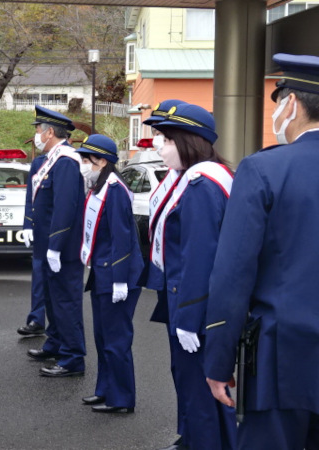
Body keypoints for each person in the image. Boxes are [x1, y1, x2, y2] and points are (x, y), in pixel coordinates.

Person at [205, 53, 319, 450]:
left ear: (292, 104)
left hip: (280, 359)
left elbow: (233, 273)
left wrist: (218, 361)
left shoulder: (263, 170)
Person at [146, 103, 237, 450]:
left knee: (200, 391)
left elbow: (200, 258)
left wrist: (188, 317)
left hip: (194, 307)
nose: (159, 145)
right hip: (184, 297)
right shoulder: (192, 177)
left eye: (167, 138)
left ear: (190, 142)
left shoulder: (201, 184)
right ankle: (193, 439)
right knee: (191, 385)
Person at [76, 135, 144, 413]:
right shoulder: (100, 186)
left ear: (102, 161)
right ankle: (104, 390)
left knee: (116, 341)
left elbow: (122, 238)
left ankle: (121, 398)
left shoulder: (114, 190)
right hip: (102, 272)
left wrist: (119, 280)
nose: (84, 166)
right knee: (103, 338)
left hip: (117, 276)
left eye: (87, 161)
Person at [26, 105, 86, 378]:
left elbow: (65, 207)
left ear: (49, 132)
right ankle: (56, 343)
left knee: (66, 303)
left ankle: (72, 357)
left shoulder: (65, 162)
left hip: (62, 250)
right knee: (52, 300)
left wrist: (56, 246)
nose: (36, 135)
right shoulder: (52, 160)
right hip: (48, 247)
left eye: (38, 130)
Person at [142, 99, 187, 445]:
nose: (156, 143)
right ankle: (186, 431)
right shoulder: (172, 177)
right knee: (180, 368)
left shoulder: (194, 181)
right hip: (168, 285)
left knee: (194, 371)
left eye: (163, 137)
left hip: (186, 291)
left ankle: (196, 435)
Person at [17, 151, 48, 337]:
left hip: (63, 231)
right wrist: (28, 223)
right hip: (41, 230)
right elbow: (31, 195)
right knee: (39, 277)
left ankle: (60, 329)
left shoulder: (71, 160)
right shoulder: (39, 162)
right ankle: (37, 319)